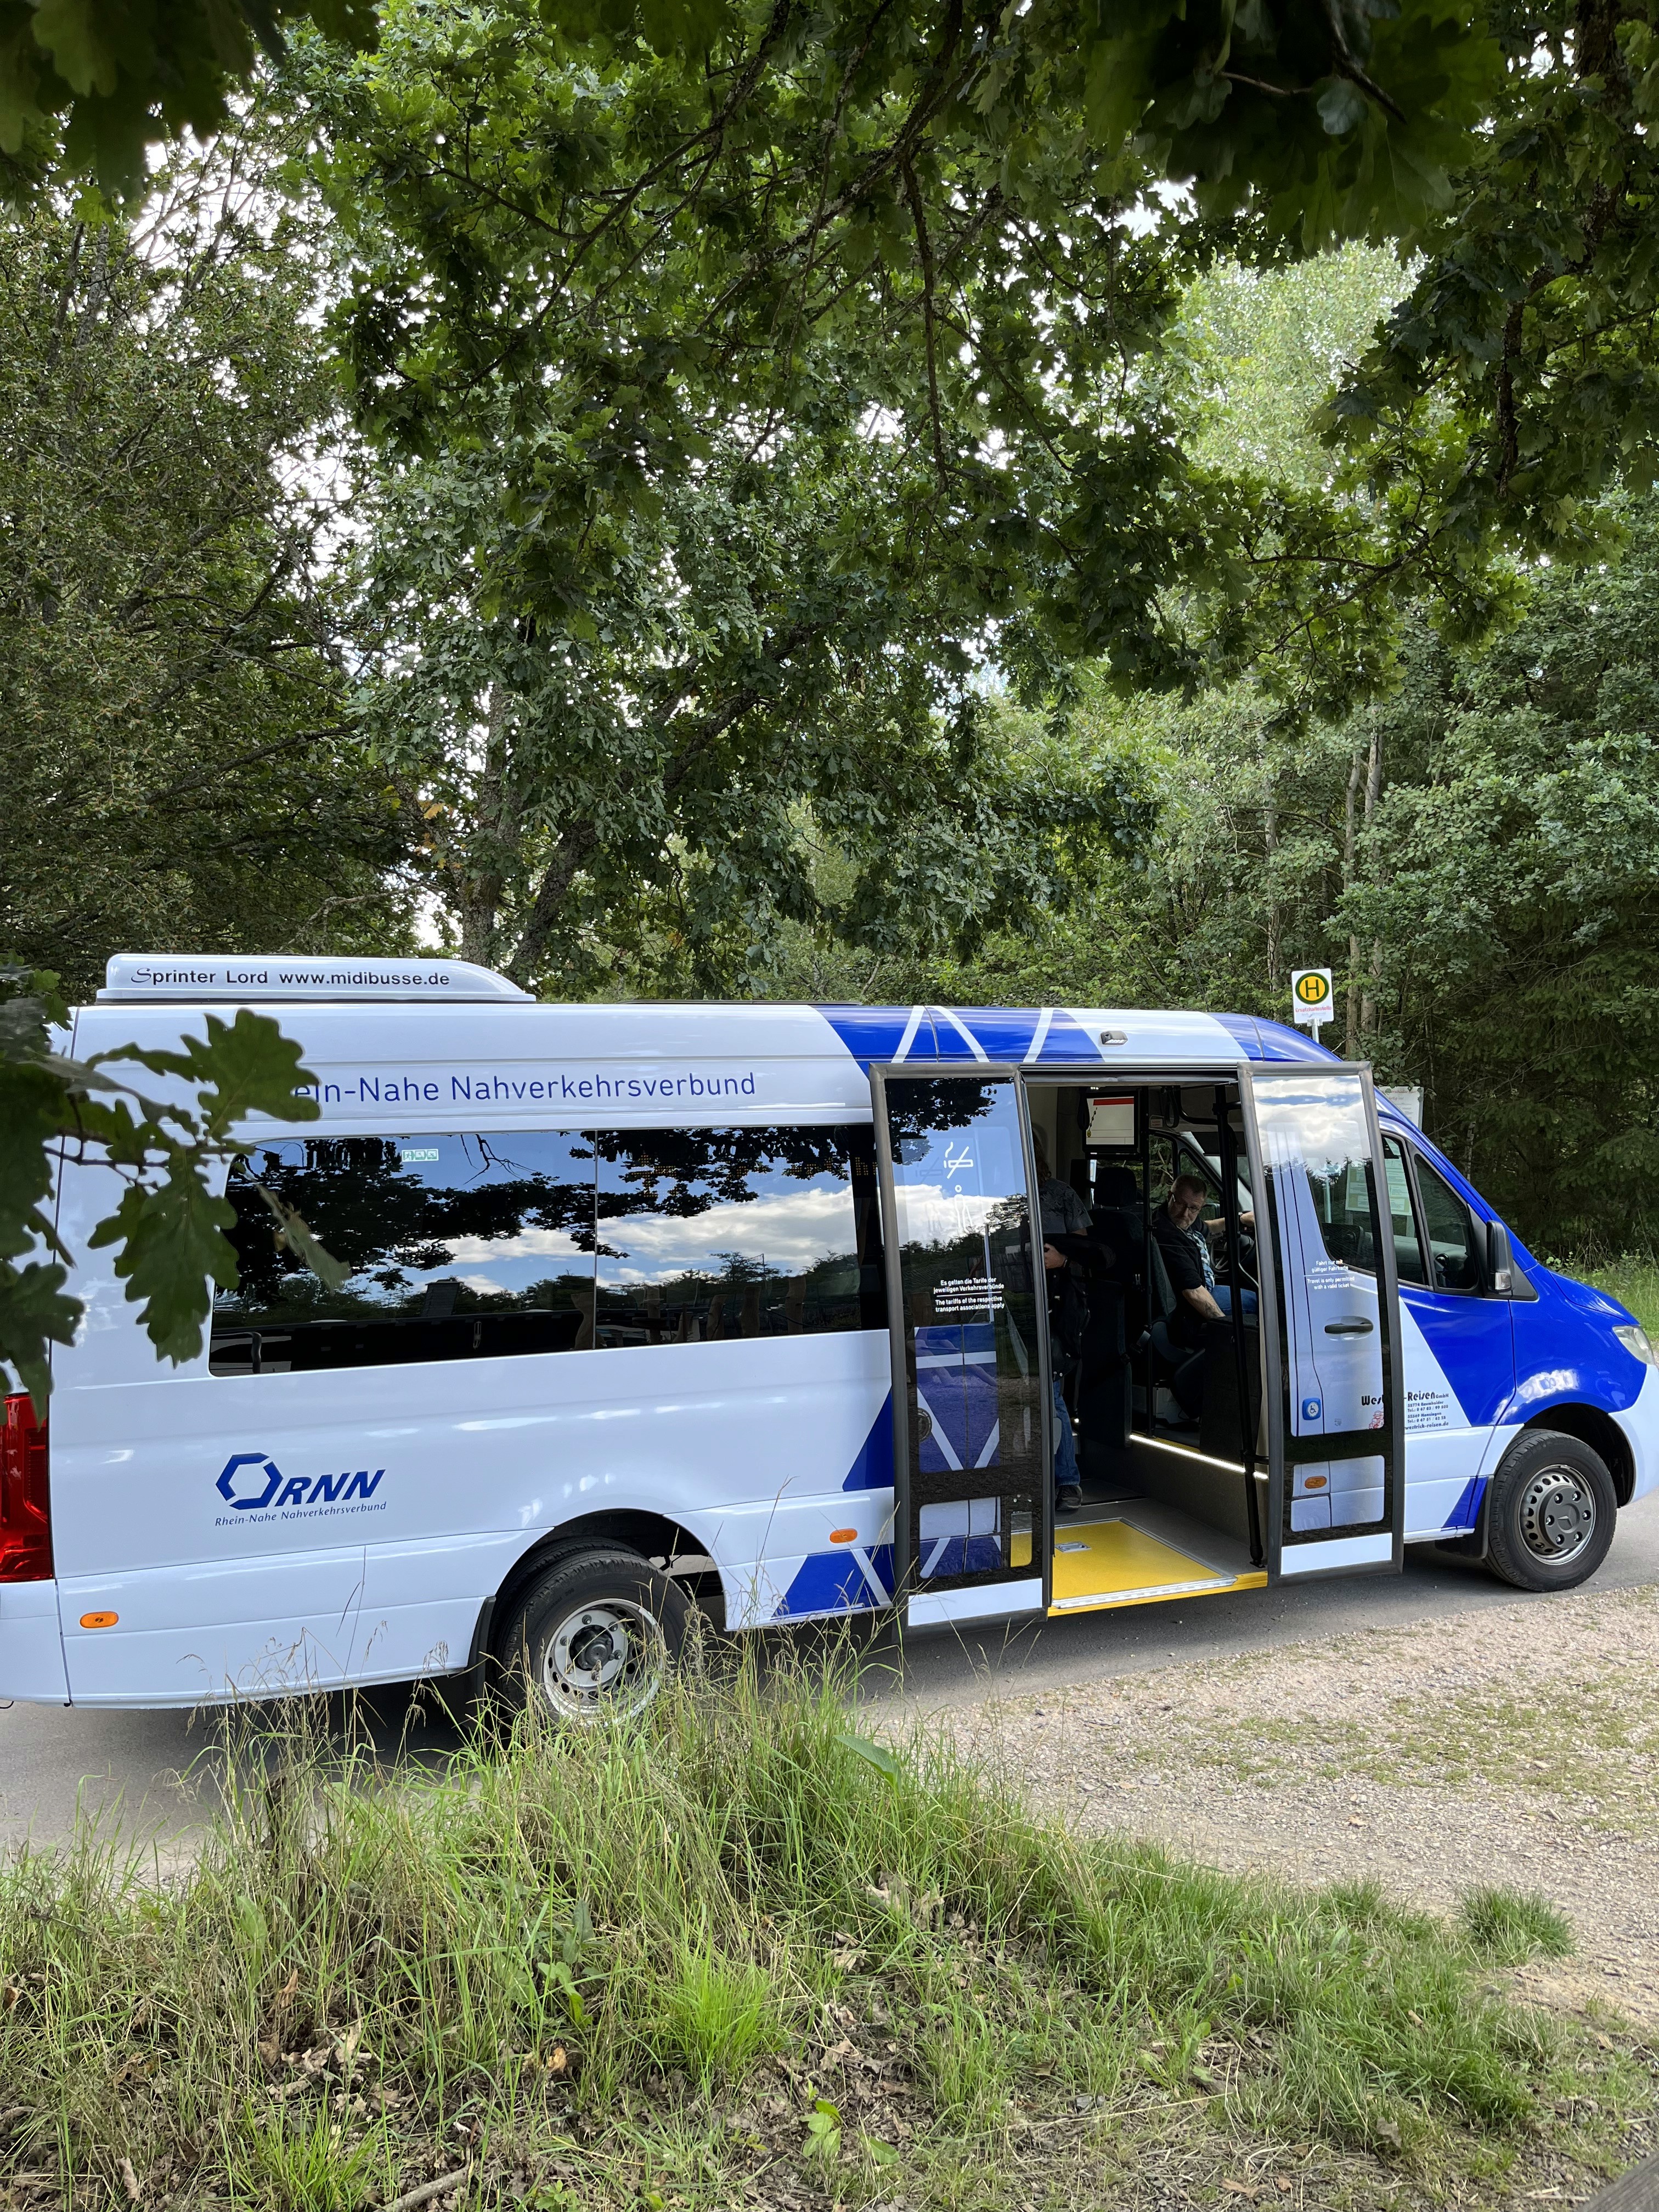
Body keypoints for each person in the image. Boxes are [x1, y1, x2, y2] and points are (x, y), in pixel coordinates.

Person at [1150, 1173, 1256, 1415]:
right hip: (1188, 1310)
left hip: (1204, 1288)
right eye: (1181, 1204)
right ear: (1170, 1196)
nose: (1186, 1214)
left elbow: (1206, 1228)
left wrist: (1240, 1220)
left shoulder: (1180, 1221)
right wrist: (1224, 1329)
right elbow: (1194, 1293)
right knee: (1258, 1305)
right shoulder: (1168, 1236)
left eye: (1194, 1209)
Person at [1032, 1126, 1088, 1513]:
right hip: (1010, 1304)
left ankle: (1067, 1481)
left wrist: (1063, 1261)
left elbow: (1088, 1255)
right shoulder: (999, 1196)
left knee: (1052, 1397)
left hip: (1055, 1306)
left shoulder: (1062, 1196)